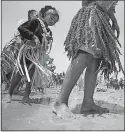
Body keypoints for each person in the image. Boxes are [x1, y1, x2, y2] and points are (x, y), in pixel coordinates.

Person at [53, 0, 124, 118]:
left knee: (95, 61)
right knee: (85, 53)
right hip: (91, 14)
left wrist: (114, 21)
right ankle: (60, 102)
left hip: (102, 18)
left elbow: (110, 5)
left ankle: (88, 103)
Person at [5, 6, 59, 103]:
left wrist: (48, 41)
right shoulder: (35, 22)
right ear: (43, 14)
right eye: (51, 18)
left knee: (31, 74)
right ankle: (9, 93)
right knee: (21, 72)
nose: (53, 22)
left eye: (55, 21)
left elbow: (44, 47)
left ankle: (26, 96)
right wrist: (33, 36)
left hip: (37, 55)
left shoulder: (48, 31)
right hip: (28, 52)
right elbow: (21, 28)